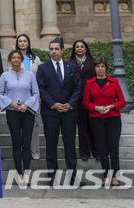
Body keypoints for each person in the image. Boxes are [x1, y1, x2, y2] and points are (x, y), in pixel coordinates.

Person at [36, 38, 81, 186]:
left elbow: (78, 88)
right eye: (51, 49)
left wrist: (70, 104)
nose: (53, 51)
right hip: (51, 112)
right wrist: (53, 104)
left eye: (56, 49)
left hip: (69, 112)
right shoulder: (43, 68)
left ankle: (73, 177)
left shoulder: (72, 67)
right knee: (51, 145)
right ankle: (52, 177)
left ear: (62, 50)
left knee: (70, 145)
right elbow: (41, 89)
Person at [0, 49, 40, 184]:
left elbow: (36, 93)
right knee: (16, 143)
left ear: (22, 60)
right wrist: (11, 103)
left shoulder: (30, 75)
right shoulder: (4, 75)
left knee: (26, 143)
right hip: (12, 112)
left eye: (18, 58)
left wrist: (27, 105)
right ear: (10, 60)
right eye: (13, 58)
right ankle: (19, 172)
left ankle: (27, 171)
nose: (16, 60)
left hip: (27, 112)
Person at [82, 57, 127, 186]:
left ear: (106, 68)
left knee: (114, 149)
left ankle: (115, 176)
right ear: (94, 69)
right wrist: (95, 108)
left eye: (102, 66)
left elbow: (122, 101)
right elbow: (85, 103)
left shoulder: (114, 82)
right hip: (96, 119)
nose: (100, 69)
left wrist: (112, 106)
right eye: (97, 66)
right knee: (102, 149)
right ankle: (106, 175)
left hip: (113, 118)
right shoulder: (89, 83)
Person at [15, 33, 43, 159]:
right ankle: (23, 151)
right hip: (19, 95)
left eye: (24, 41)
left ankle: (35, 152)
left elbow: (39, 75)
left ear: (28, 43)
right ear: (17, 43)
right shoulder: (14, 58)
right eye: (20, 41)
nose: (22, 43)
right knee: (20, 125)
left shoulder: (35, 58)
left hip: (33, 96)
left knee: (35, 124)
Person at [70, 39, 97, 161]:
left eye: (82, 46)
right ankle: (84, 152)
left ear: (86, 49)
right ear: (74, 49)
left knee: (93, 125)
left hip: (92, 99)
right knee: (82, 126)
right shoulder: (70, 63)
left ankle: (96, 151)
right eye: (77, 47)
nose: (79, 48)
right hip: (78, 99)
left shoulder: (93, 63)